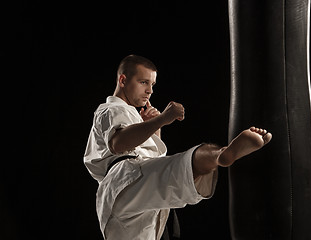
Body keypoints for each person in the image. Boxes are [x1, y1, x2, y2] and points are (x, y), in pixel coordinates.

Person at [84, 54, 272, 240]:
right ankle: (221, 154)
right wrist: (162, 119)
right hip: (124, 181)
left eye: (152, 85)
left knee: (176, 173)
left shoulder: (133, 117)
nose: (150, 90)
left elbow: (153, 157)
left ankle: (220, 156)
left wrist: (153, 127)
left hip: (131, 196)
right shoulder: (111, 109)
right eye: (143, 82)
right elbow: (119, 144)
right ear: (123, 80)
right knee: (178, 168)